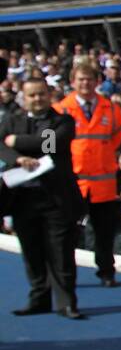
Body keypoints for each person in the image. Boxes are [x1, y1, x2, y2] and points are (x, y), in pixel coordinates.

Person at [1, 75, 85, 319]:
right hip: (22, 199)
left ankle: (67, 302)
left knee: (61, 252)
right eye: (32, 95)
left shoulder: (62, 120)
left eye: (41, 94)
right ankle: (39, 298)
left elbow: (50, 145)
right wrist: (17, 158)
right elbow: (1, 144)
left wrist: (16, 142)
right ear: (23, 97)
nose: (37, 99)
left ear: (49, 94)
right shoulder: (11, 120)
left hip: (56, 199)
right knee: (32, 251)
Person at [55, 58, 121, 287]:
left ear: (97, 81)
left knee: (104, 233)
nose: (85, 83)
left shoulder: (111, 108)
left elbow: (118, 137)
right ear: (72, 82)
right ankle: (65, 275)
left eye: (89, 79)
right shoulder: (61, 109)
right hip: (73, 181)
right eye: (81, 79)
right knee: (68, 233)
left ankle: (106, 272)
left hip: (104, 183)